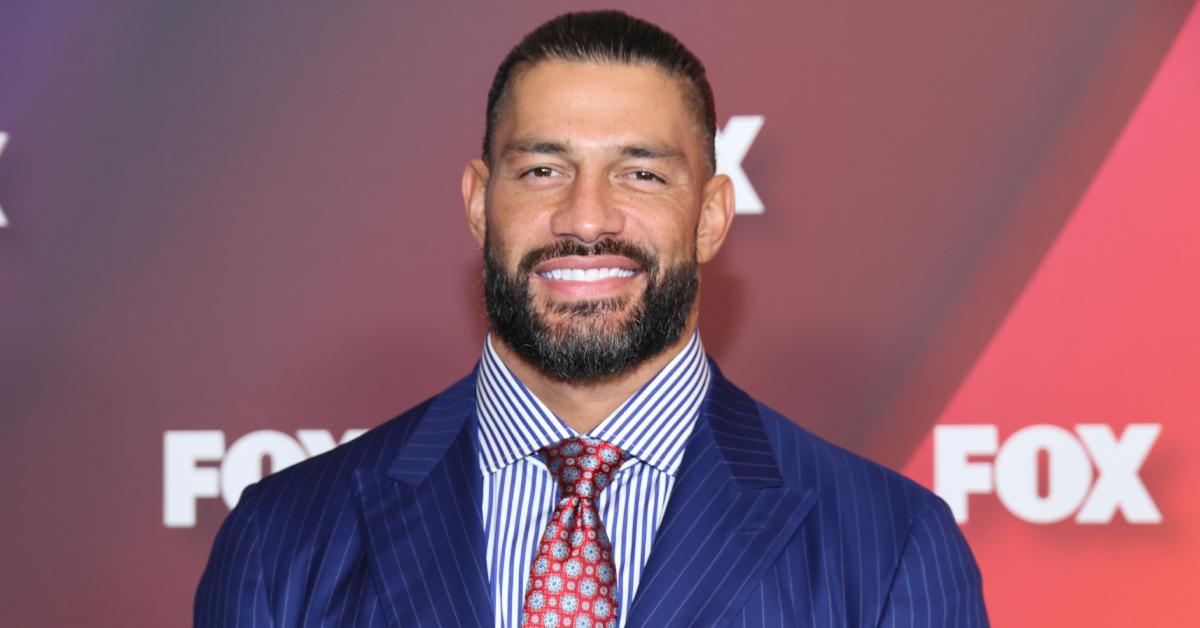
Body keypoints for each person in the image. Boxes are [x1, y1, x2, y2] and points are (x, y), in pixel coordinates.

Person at [195, 10, 988, 627]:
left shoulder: (887, 549)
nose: (587, 217)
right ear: (479, 203)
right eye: (544, 169)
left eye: (640, 174)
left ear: (711, 216)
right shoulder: (285, 543)